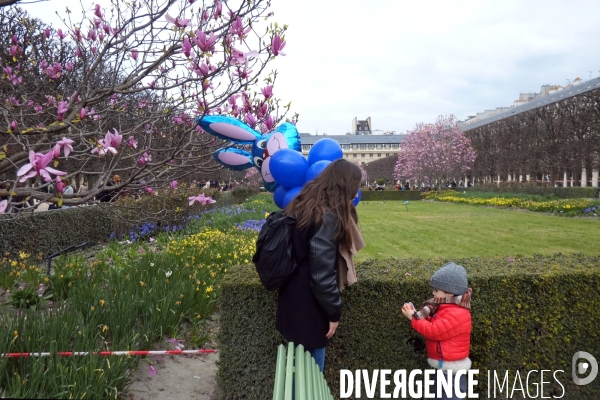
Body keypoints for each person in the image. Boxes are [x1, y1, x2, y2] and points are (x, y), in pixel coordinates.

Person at [276, 159, 364, 372]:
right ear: (344, 186)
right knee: (311, 376)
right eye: (355, 187)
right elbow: (321, 274)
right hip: (310, 309)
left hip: (293, 299)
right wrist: (334, 313)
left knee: (299, 372)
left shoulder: (304, 203)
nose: (357, 193)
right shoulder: (326, 216)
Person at [401, 262, 472, 400]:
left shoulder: (456, 314)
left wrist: (413, 318)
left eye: (436, 290)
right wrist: (416, 314)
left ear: (449, 292)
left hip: (450, 371)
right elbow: (436, 325)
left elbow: (433, 331)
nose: (433, 293)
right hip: (445, 366)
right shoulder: (446, 307)